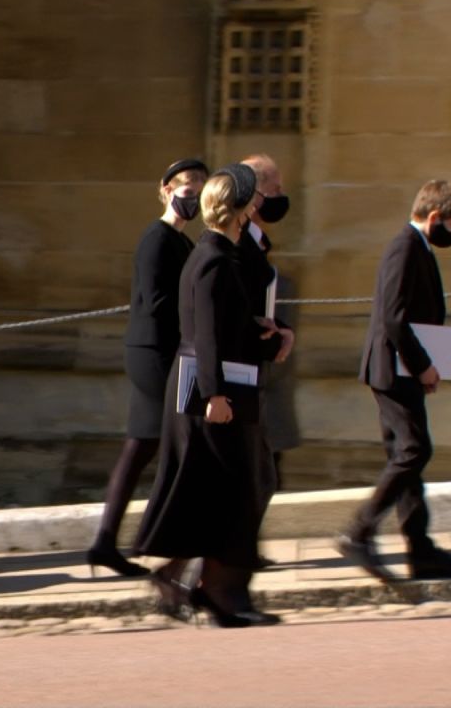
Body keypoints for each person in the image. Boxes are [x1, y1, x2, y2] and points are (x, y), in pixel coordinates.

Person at [132, 164, 285, 628]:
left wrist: (261, 328)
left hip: (222, 385)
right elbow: (206, 335)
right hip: (210, 389)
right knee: (237, 487)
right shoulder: (213, 258)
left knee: (219, 487)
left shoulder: (225, 250)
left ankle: (191, 578)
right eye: (251, 202)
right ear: (238, 210)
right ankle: (219, 591)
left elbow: (250, 291)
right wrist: (215, 394)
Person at [337, 179, 451, 582]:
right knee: (414, 450)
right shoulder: (405, 246)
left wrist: (427, 365)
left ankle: (420, 549)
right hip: (393, 368)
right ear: (434, 217)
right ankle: (359, 530)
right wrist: (424, 363)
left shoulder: (418, 247)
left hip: (403, 369)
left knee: (406, 455)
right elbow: (393, 317)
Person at [87, 158, 208, 578]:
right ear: (167, 190)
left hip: (160, 350)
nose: (191, 197)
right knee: (180, 441)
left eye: (199, 190)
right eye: (186, 189)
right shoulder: (156, 239)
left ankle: (105, 542)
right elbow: (158, 303)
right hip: (154, 353)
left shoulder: (183, 243)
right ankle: (164, 539)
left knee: (141, 447)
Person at [238, 154, 297, 568]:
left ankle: (239, 548)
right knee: (258, 472)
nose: (282, 197)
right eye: (275, 189)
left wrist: (277, 327)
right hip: (238, 370)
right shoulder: (238, 242)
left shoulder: (256, 239)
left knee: (265, 470)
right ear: (256, 195)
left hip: (257, 368)